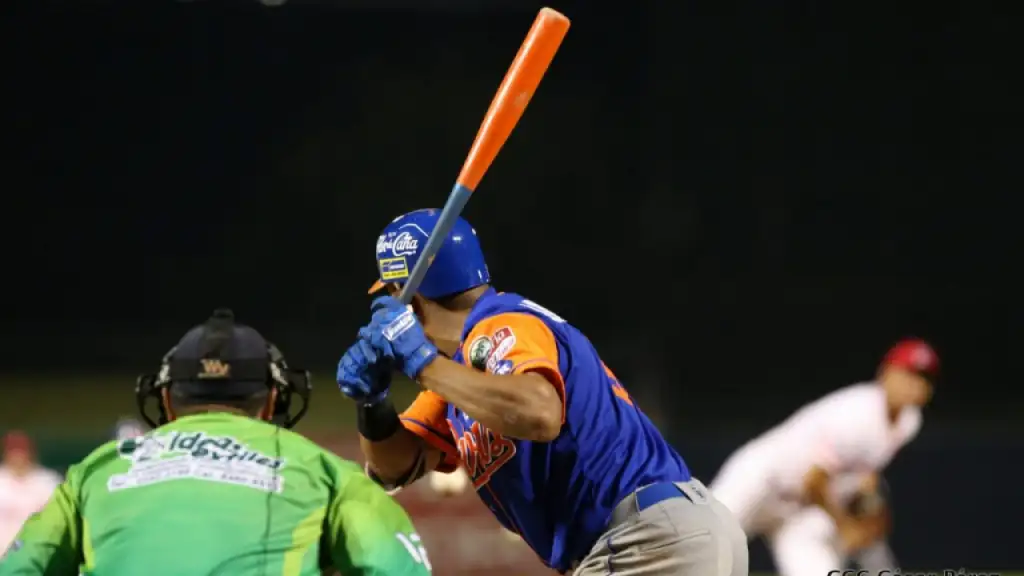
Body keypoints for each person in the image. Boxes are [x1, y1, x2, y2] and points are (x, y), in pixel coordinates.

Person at [336, 209, 748, 576]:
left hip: (644, 538)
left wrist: (422, 362)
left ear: (408, 296)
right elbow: (392, 469)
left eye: (391, 291)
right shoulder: (461, 376)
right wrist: (373, 402)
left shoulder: (501, 325)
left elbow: (540, 413)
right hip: (667, 536)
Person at [0, 309, 432, 576]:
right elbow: (397, 569)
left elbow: (22, 567)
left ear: (166, 399)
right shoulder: (325, 472)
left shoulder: (95, 471)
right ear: (274, 400)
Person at [709, 339, 937, 576]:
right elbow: (813, 480)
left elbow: (862, 475)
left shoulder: (909, 422)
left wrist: (867, 505)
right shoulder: (857, 414)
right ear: (886, 372)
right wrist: (845, 525)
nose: (914, 384)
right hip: (762, 481)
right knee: (700, 550)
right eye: (907, 373)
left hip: (801, 510)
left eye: (924, 378)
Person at [0, 432, 61, 554]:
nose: (18, 458)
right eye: (14, 453)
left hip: (37, 554)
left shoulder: (48, 481)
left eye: (21, 453)